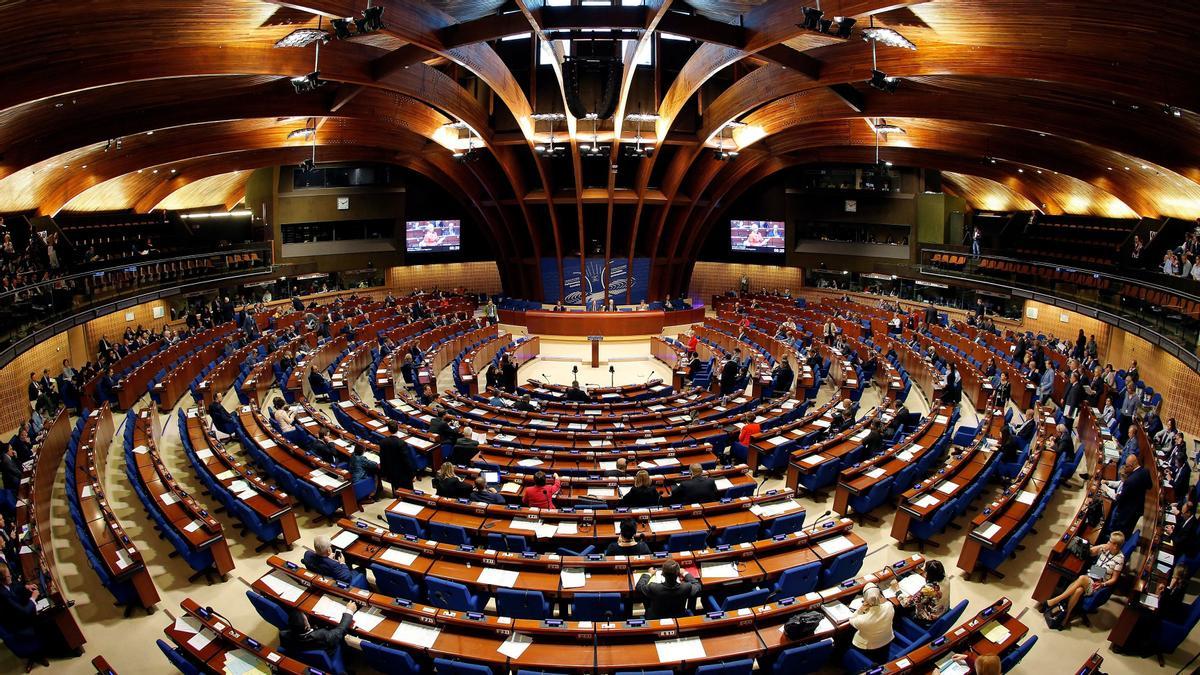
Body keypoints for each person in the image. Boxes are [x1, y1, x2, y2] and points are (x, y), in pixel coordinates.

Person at [1038, 531, 1125, 628]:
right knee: (1078, 590)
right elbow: (1090, 552)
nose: (1108, 542)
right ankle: (1066, 618)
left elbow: (1114, 579)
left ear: (1115, 546)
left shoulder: (1120, 559)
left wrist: (1103, 584)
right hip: (1093, 573)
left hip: (1098, 583)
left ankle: (1054, 601)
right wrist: (1101, 546)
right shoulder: (1106, 549)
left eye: (1110, 542)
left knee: (1082, 578)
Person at [280, 602, 356, 658]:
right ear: (307, 627)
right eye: (306, 618)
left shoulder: (283, 635)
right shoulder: (321, 635)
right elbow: (340, 630)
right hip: (328, 654)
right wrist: (349, 611)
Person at [635, 559, 700, 619]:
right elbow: (697, 585)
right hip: (679, 616)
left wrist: (648, 574)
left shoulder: (653, 587)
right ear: (678, 574)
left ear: (662, 574)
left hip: (656, 617)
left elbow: (639, 587)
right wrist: (685, 573)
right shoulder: (686, 587)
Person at [849, 582, 895, 664]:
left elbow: (851, 619)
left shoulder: (863, 621)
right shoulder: (889, 606)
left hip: (869, 646)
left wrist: (860, 609)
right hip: (886, 640)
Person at [895, 560, 950, 628]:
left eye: (925, 571)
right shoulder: (946, 577)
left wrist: (897, 591)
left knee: (898, 608)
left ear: (928, 574)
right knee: (901, 577)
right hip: (943, 610)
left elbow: (906, 603)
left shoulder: (928, 589)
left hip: (927, 619)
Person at [378, 421, 416, 494]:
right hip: (403, 474)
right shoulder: (401, 443)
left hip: (391, 472)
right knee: (408, 493)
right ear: (398, 428)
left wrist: (383, 473)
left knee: (397, 491)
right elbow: (406, 461)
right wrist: (412, 475)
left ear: (388, 430)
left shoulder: (383, 442)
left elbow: (382, 458)